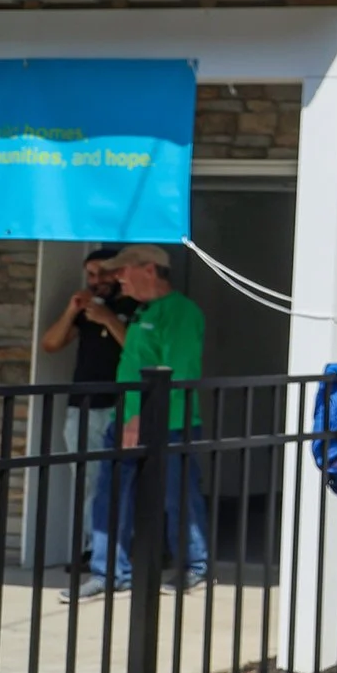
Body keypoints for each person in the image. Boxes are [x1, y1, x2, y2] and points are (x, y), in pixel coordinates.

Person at [63, 243, 209, 598]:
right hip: (125, 419)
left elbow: (177, 373)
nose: (117, 279)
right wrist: (128, 417)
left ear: (149, 269)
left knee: (177, 495)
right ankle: (109, 572)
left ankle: (195, 566)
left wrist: (139, 419)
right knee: (109, 494)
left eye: (122, 271)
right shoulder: (143, 310)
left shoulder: (181, 313)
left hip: (170, 422)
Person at [39, 249, 137, 586]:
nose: (96, 282)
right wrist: (73, 309)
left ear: (119, 272)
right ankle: (94, 547)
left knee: (119, 479)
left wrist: (109, 319)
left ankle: (118, 548)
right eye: (91, 275)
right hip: (81, 406)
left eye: (102, 274)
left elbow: (139, 352)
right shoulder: (87, 310)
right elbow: (50, 344)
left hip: (120, 406)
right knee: (89, 480)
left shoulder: (135, 307)